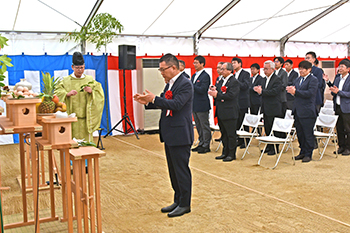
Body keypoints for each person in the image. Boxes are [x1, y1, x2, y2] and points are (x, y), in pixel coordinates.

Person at [133, 53, 193, 218]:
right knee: (173, 170)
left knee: (181, 170)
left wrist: (154, 99)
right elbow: (164, 103)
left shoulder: (185, 83)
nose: (161, 73)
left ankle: (185, 204)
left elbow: (176, 104)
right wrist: (148, 101)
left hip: (180, 133)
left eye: (163, 69)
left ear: (173, 67)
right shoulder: (170, 84)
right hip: (170, 132)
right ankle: (178, 199)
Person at [55, 51, 104, 143]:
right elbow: (57, 92)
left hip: (86, 119)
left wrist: (92, 91)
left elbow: (99, 94)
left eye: (81, 67)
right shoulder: (66, 81)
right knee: (72, 144)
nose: (80, 70)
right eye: (77, 68)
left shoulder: (89, 80)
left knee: (86, 146)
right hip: (71, 119)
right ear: (72, 67)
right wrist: (66, 94)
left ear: (84, 67)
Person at [286, 60, 318, 163]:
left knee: (307, 133)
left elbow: (310, 93)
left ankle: (309, 153)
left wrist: (296, 92)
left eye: (303, 68)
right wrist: (292, 91)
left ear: (309, 69)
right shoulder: (298, 79)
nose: (301, 70)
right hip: (297, 110)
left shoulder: (313, 79)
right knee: (300, 133)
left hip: (307, 110)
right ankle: (302, 151)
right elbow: (297, 93)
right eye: (299, 68)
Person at [208, 62, 240, 162]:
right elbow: (220, 92)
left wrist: (217, 95)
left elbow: (231, 95)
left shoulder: (234, 81)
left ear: (230, 70)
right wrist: (214, 90)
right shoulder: (221, 80)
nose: (221, 71)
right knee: (224, 134)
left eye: (223, 69)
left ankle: (231, 153)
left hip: (230, 112)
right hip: (221, 111)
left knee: (231, 134)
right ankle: (225, 152)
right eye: (221, 69)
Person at [253, 60, 282, 155]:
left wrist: (262, 92)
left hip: (274, 107)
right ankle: (269, 146)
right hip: (265, 107)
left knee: (274, 129)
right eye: (264, 69)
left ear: (272, 69)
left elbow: (274, 92)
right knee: (267, 128)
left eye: (266, 69)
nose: (264, 71)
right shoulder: (264, 79)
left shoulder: (277, 79)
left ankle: (275, 148)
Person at [323, 59, 350, 156]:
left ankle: (348, 148)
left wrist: (338, 92)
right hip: (337, 106)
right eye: (339, 66)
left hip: (347, 108)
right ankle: (341, 146)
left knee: (348, 129)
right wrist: (328, 82)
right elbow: (334, 88)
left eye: (342, 66)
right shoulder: (338, 77)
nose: (340, 68)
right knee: (339, 128)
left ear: (348, 69)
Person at [191, 56, 211, 154]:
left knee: (204, 125)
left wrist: (192, 86)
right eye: (194, 63)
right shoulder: (194, 75)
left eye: (196, 63)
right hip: (194, 104)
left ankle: (206, 145)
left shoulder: (205, 76)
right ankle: (201, 143)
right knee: (198, 126)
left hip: (202, 104)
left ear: (202, 64)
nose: (194, 65)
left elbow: (203, 89)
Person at [231, 57, 250, 149]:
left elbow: (245, 86)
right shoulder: (233, 75)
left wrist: (236, 82)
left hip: (243, 101)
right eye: (232, 63)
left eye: (234, 63)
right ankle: (239, 139)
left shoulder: (245, 74)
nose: (233, 64)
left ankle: (246, 141)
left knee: (243, 121)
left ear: (240, 64)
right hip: (235, 102)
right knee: (237, 122)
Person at [214, 61, 225, 142]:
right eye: (217, 68)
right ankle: (222, 135)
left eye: (220, 68)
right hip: (218, 103)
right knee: (220, 121)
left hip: (225, 104)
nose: (218, 70)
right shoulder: (218, 78)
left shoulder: (227, 80)